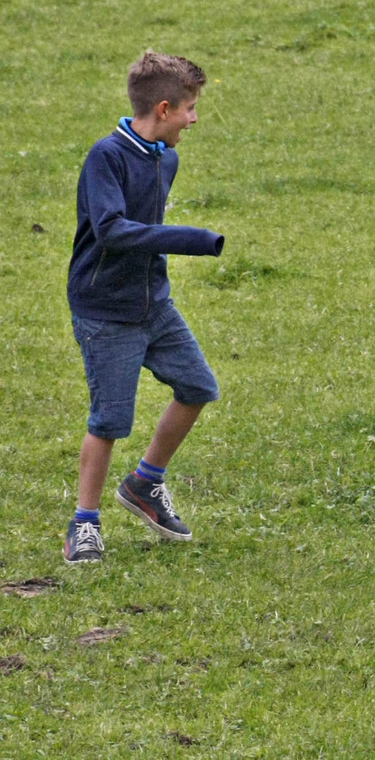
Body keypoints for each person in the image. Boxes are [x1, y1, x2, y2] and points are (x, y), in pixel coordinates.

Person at [64, 51, 225, 563]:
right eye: (190, 108)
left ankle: (145, 483)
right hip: (106, 310)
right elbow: (111, 230)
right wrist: (190, 239)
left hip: (153, 303)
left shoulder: (166, 158)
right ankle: (84, 523)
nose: (195, 119)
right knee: (109, 420)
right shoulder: (105, 157)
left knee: (198, 386)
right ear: (163, 107)